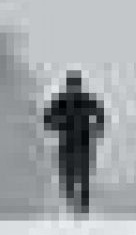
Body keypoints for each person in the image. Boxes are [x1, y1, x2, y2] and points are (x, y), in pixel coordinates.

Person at [42, 70, 106, 215]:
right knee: (71, 172)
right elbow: (48, 119)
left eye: (75, 85)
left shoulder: (80, 99)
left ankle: (80, 203)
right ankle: (75, 202)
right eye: (73, 85)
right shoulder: (65, 101)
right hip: (71, 140)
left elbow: (99, 114)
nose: (74, 88)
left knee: (79, 172)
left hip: (79, 140)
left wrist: (97, 128)